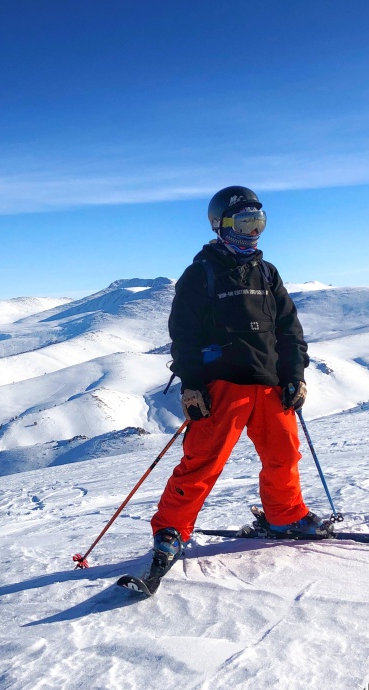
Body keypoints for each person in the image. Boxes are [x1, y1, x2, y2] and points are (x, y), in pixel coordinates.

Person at [146, 185, 331, 582]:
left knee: (284, 457)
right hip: (220, 386)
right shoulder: (201, 274)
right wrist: (192, 384)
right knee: (202, 463)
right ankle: (171, 531)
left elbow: (289, 331)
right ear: (221, 225)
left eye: (258, 221)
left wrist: (295, 374)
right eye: (244, 222)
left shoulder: (267, 272)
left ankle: (285, 517)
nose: (253, 231)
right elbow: (184, 334)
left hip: (270, 384)